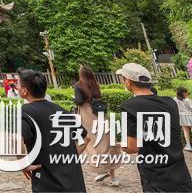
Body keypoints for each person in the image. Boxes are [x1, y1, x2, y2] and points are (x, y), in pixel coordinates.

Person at [118, 62, 192, 191]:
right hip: (179, 171)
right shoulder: (170, 102)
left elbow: (132, 147)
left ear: (128, 81)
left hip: (155, 174)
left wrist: (120, 144)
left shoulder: (129, 106)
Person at [18, 69, 86, 192]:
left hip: (48, 183)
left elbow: (16, 138)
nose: (16, 87)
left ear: (24, 91)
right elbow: (85, 137)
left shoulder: (26, 111)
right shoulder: (61, 110)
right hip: (74, 182)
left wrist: (22, 163)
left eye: (18, 84)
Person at [73, 65, 121, 186]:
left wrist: (75, 98)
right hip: (100, 114)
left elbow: (79, 101)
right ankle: (113, 177)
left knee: (90, 143)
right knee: (106, 143)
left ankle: (100, 170)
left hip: (87, 115)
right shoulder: (96, 84)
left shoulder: (78, 85)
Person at [175, 87, 192, 151]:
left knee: (185, 131)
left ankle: (188, 145)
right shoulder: (188, 100)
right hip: (190, 116)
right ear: (184, 93)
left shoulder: (176, 99)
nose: (188, 93)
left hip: (182, 116)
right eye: (186, 92)